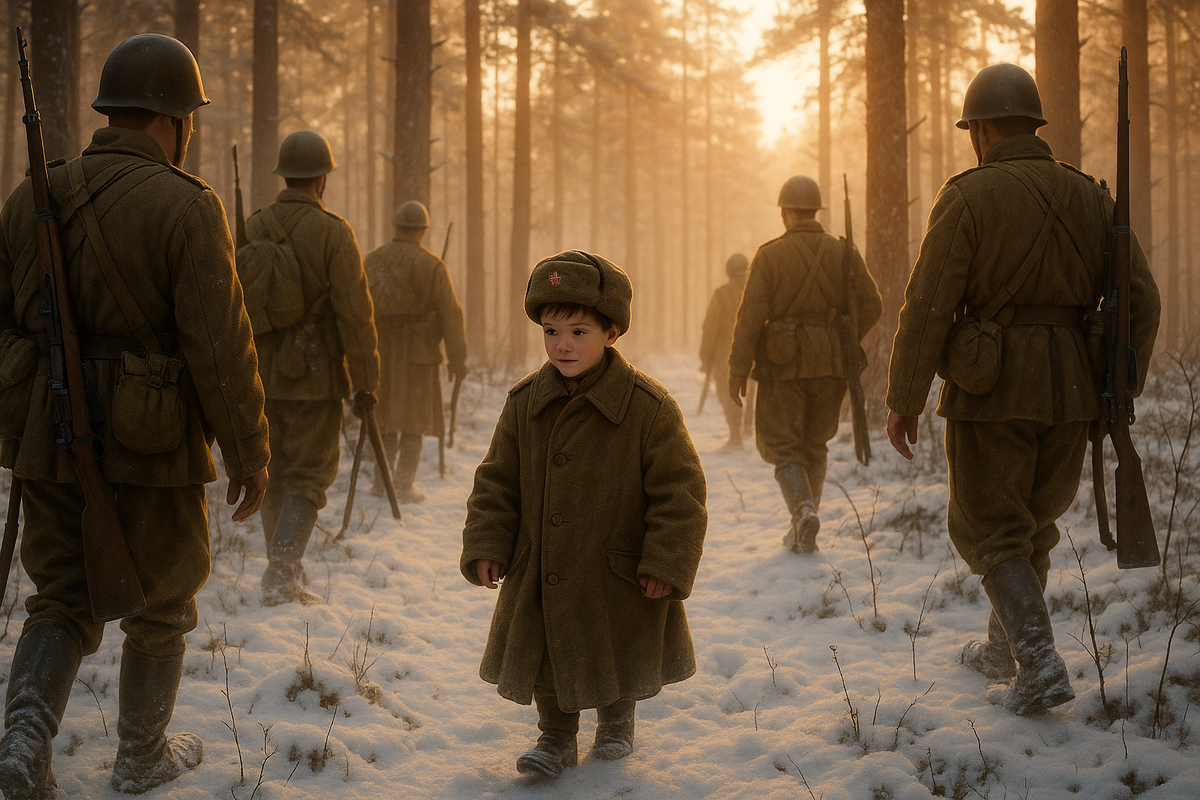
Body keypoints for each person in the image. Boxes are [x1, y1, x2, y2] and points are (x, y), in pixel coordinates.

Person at [0, 34, 270, 796]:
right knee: (163, 600)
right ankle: (141, 753)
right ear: (173, 120)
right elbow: (218, 344)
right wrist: (249, 449)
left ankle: (24, 742)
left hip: (50, 437)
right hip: (154, 447)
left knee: (58, 597)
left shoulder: (31, 197)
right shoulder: (187, 206)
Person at [885, 63, 1160, 716]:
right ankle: (1002, 652)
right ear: (1033, 125)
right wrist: (1117, 391)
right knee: (1031, 529)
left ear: (979, 129)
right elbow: (1142, 301)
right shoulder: (1092, 197)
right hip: (1073, 393)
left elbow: (928, 306)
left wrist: (904, 395)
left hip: (991, 390)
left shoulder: (968, 196)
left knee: (991, 530)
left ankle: (1036, 665)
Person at [460, 250, 707, 779]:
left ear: (612, 332)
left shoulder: (647, 407)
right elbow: (496, 480)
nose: (563, 345)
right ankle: (555, 736)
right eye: (551, 332)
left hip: (618, 568)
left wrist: (666, 560)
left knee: (617, 648)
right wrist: (487, 542)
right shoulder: (525, 402)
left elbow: (680, 492)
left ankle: (618, 722)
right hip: (542, 563)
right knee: (550, 650)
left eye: (578, 332)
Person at [246, 130, 379, 606]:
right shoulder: (334, 232)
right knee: (308, 475)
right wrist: (366, 382)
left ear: (285, 175)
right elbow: (355, 316)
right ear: (321, 179)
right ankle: (281, 573)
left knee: (274, 472)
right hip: (316, 377)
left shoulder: (254, 224)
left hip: (258, 375)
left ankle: (280, 570)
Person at [728, 176, 882, 554]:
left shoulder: (770, 254)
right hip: (831, 362)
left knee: (783, 447)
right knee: (816, 445)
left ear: (786, 212)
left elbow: (750, 317)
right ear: (815, 211)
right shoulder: (842, 250)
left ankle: (802, 512)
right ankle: (805, 521)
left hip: (783, 365)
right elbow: (872, 304)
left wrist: (737, 369)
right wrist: (839, 336)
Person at [363, 200, 467, 502]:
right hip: (417, 354)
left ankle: (382, 485)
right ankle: (403, 486)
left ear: (396, 227)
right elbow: (451, 314)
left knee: (385, 419)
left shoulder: (373, 260)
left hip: (378, 351)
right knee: (413, 421)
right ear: (422, 230)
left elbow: (356, 307)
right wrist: (458, 359)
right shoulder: (432, 265)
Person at [700, 252, 755, 449]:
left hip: (726, 356)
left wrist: (705, 357)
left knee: (728, 394)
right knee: (750, 391)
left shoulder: (722, 294)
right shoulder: (756, 291)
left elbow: (711, 327)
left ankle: (735, 436)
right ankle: (747, 429)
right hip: (753, 354)